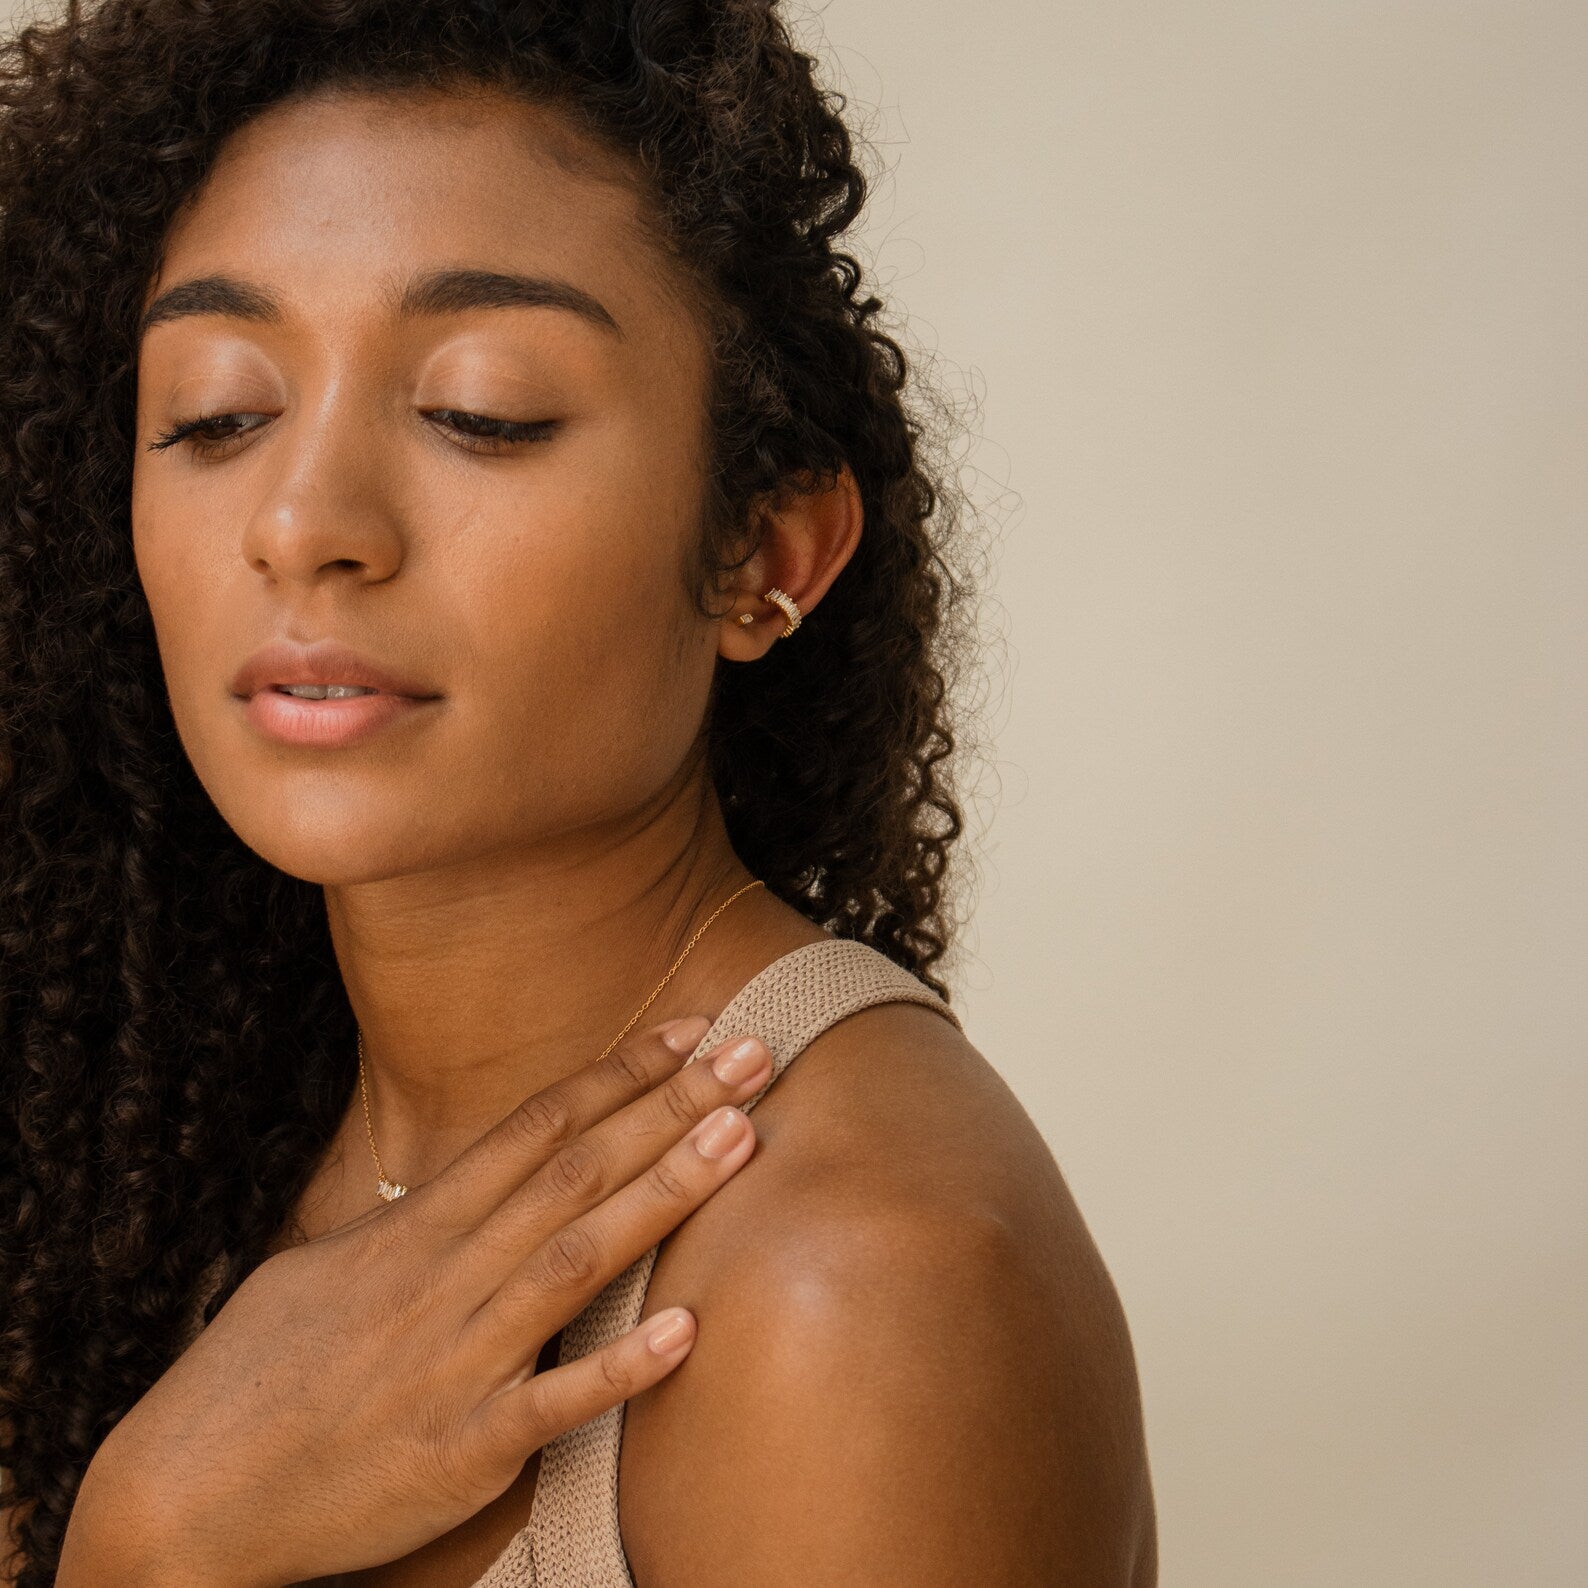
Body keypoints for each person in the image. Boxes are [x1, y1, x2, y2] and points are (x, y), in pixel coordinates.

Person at [0, 1, 1157, 1583]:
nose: (306, 522)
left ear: (762, 554)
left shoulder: (859, 1284)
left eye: (485, 410)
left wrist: (146, 1552)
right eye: (216, 413)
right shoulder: (140, 1161)